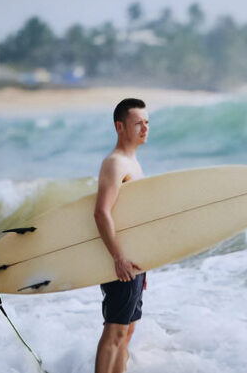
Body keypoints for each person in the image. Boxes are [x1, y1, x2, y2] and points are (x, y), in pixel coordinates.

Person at [94, 98, 149, 373]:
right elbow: (101, 212)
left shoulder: (133, 162)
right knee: (114, 332)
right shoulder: (115, 163)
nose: (145, 128)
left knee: (126, 334)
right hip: (120, 260)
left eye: (147, 123)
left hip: (134, 262)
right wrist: (118, 257)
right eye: (138, 123)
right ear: (120, 126)